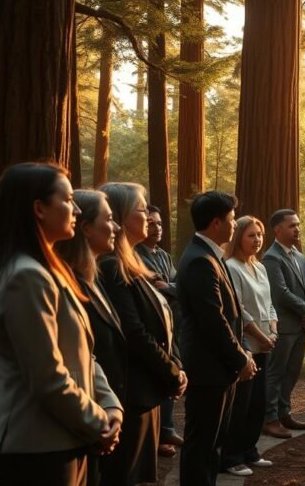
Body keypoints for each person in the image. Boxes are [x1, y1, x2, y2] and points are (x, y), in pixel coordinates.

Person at [0, 163, 122, 486]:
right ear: (39, 208)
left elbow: (83, 354)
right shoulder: (25, 276)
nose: (76, 209)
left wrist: (110, 406)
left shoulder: (52, 271)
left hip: (66, 439)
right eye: (67, 199)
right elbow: (47, 376)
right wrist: (98, 422)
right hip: (37, 449)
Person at [97, 182, 185, 484]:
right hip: (131, 393)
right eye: (141, 209)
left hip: (146, 392)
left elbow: (160, 322)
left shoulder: (132, 263)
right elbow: (133, 332)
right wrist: (171, 371)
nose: (148, 215)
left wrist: (173, 365)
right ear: (120, 217)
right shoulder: (111, 267)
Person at [176, 191, 256, 486]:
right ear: (215, 222)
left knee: (213, 444)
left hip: (219, 368)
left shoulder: (210, 254)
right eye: (232, 219)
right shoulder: (199, 260)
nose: (234, 225)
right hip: (208, 368)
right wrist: (240, 358)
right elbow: (213, 320)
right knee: (202, 444)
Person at [54, 189, 129, 486]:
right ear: (85, 228)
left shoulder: (91, 277)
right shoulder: (61, 281)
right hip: (75, 427)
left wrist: (112, 407)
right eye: (109, 219)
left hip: (100, 418)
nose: (117, 227)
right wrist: (98, 420)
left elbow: (90, 354)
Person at [220, 217, 276, 476]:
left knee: (258, 402)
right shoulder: (232, 266)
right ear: (238, 237)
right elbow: (238, 309)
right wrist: (259, 335)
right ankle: (231, 456)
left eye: (259, 235)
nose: (257, 240)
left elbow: (269, 303)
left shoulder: (260, 267)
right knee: (242, 402)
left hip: (266, 342)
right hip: (246, 343)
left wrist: (273, 329)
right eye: (251, 235)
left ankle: (250, 450)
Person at [262, 209, 305, 438]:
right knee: (276, 373)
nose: (297, 229)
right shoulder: (271, 257)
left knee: (292, 372)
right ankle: (270, 418)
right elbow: (280, 292)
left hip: (301, 325)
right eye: (292, 225)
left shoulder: (299, 255)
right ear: (277, 229)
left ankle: (285, 412)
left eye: (298, 225)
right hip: (284, 326)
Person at [135, 205, 184, 452]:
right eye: (151, 223)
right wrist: (169, 287)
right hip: (149, 325)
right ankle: (158, 435)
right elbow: (154, 287)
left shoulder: (163, 255)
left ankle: (166, 431)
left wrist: (170, 287)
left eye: (160, 223)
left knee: (172, 372)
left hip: (170, 323)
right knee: (159, 375)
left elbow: (176, 285)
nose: (156, 228)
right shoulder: (134, 254)